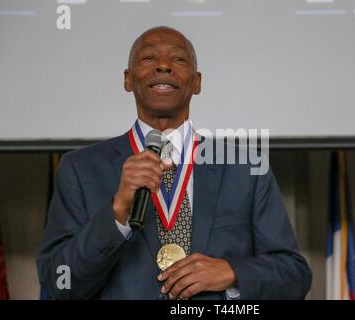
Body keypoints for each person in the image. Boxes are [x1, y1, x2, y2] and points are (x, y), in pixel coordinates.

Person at [37, 26, 312, 300]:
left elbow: (295, 277)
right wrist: (117, 213)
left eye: (178, 59)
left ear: (197, 82)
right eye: (149, 58)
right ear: (128, 79)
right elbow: (59, 281)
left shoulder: (246, 168)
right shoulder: (79, 169)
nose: (164, 66)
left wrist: (232, 272)